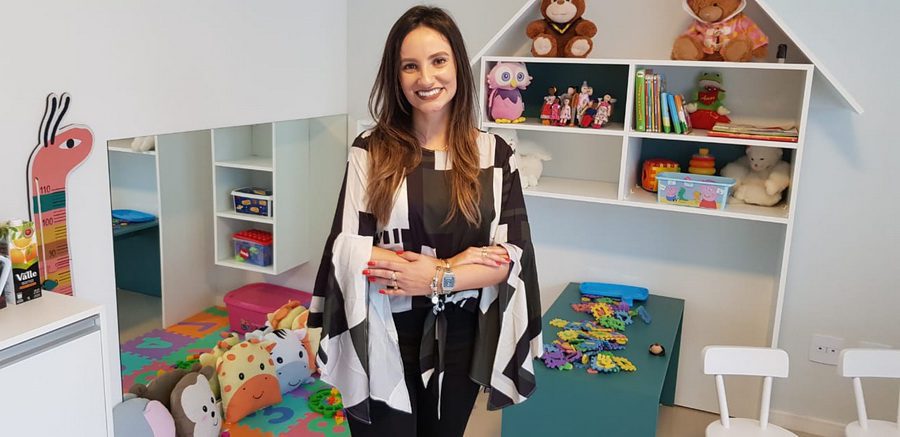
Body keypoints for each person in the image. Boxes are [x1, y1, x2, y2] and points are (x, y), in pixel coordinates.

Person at [308, 6, 542, 437]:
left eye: (438, 61)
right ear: (396, 76)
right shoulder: (370, 150)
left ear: (457, 66)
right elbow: (348, 248)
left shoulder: (494, 154)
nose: (426, 78)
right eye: (410, 66)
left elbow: (510, 257)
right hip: (379, 328)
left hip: (460, 337)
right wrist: (460, 266)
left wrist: (438, 275)